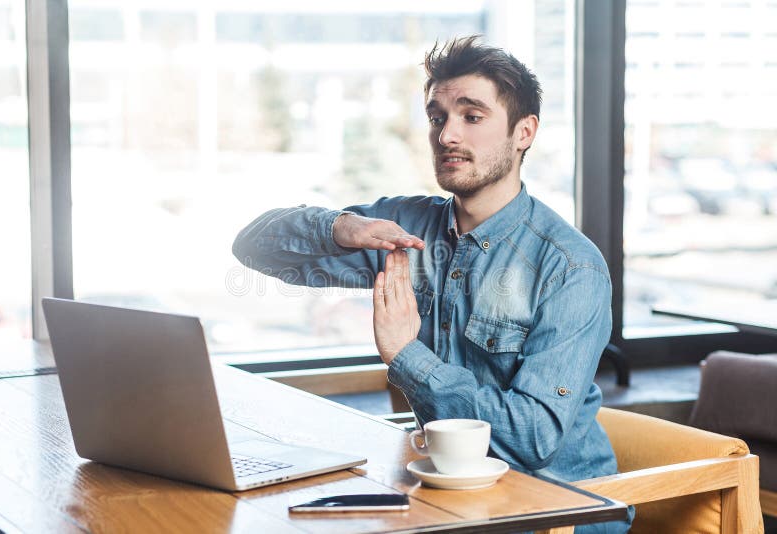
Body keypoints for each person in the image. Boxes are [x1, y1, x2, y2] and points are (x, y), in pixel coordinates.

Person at [232, 36, 632, 532]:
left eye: (472, 116)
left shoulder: (572, 267)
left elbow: (531, 440)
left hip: (554, 510)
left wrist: (407, 355)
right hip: (444, 498)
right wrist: (341, 228)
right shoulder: (404, 228)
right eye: (437, 116)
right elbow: (253, 248)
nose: (446, 136)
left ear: (524, 132)